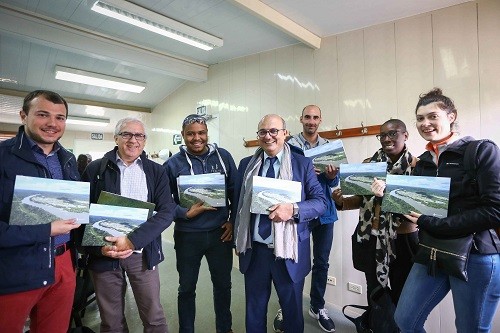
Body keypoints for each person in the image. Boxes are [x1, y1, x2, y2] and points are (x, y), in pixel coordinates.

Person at [392, 88, 500, 332]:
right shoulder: (423, 162)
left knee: (470, 328)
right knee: (404, 321)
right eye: (420, 118)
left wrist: (434, 223)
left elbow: (495, 210)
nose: (425, 123)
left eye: (432, 116)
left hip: (477, 255)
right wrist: (390, 195)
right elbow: (413, 212)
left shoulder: (481, 151)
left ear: (451, 116)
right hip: (432, 252)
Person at [80, 117, 176, 333]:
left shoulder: (155, 171)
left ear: (145, 140)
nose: (134, 140)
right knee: (111, 322)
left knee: (154, 318)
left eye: (139, 135)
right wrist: (98, 248)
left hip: (143, 253)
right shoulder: (95, 169)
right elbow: (81, 214)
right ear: (116, 138)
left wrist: (132, 240)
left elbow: (167, 211)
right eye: (127, 134)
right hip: (105, 254)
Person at [234, 114, 326, 333]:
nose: (268, 136)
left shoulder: (302, 164)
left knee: (292, 315)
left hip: (289, 253)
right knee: (254, 312)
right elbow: (238, 204)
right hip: (255, 252)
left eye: (274, 131)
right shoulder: (246, 165)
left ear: (285, 134)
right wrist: (237, 238)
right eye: (263, 132)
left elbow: (320, 203)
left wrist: (293, 209)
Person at [0, 90, 82, 332]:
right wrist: (46, 229)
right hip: (16, 266)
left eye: (60, 117)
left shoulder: (67, 159)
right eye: (43, 115)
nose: (52, 124)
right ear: (23, 115)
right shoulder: (3, 157)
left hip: (64, 263)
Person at [332, 119, 419, 322]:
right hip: (370, 237)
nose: (387, 139)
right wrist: (340, 202)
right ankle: (377, 326)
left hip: (403, 241)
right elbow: (360, 199)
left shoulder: (417, 167)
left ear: (405, 135)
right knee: (375, 292)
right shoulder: (369, 165)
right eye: (382, 135)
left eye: (393, 134)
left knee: (402, 293)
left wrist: (387, 194)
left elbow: (417, 210)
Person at [164, 114, 237, 333]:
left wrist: (233, 221)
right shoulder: (172, 164)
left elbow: (236, 191)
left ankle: (225, 329)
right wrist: (184, 213)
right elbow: (164, 202)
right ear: (183, 136)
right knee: (186, 288)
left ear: (207, 133)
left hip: (220, 234)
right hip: (188, 236)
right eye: (191, 134)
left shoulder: (223, 157)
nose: (197, 138)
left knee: (223, 286)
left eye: (201, 133)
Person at [273, 105, 339, 333]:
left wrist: (331, 176)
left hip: (324, 212)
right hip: (296, 212)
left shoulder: (330, 147)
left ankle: (317, 306)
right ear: (301, 119)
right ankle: (287, 307)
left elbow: (334, 185)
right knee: (289, 259)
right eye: (308, 117)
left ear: (320, 120)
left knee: (321, 262)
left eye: (316, 117)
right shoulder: (288, 146)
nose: (311, 121)